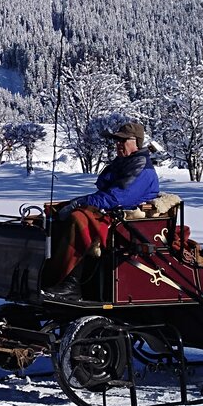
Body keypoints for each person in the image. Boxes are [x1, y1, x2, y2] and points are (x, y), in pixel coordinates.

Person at [42, 121, 159, 301]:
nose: (118, 145)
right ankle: (48, 274)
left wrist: (78, 204)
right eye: (117, 141)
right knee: (54, 213)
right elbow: (105, 189)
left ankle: (71, 284)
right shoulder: (124, 163)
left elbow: (116, 197)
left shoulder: (141, 168)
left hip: (126, 219)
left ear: (136, 142)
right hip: (114, 212)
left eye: (123, 141)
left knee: (78, 219)